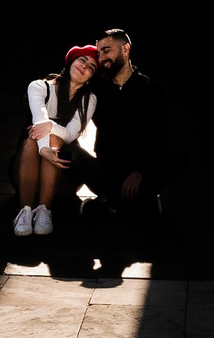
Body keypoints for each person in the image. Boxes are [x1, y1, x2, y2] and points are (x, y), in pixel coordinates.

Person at [82, 28, 173, 268]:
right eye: (99, 52)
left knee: (177, 155)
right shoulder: (97, 89)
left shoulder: (151, 90)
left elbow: (160, 140)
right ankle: (123, 203)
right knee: (70, 151)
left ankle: (115, 205)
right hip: (107, 171)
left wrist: (139, 171)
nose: (101, 57)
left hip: (141, 174)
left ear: (125, 49)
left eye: (107, 50)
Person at [15, 44, 102, 237]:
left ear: (91, 77)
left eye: (91, 67)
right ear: (72, 60)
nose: (85, 66)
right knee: (31, 141)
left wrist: (50, 131)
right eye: (82, 60)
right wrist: (43, 148)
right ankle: (25, 212)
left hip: (62, 178)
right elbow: (40, 119)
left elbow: (71, 134)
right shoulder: (38, 86)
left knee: (53, 136)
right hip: (25, 173)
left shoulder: (89, 99)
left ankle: (45, 210)